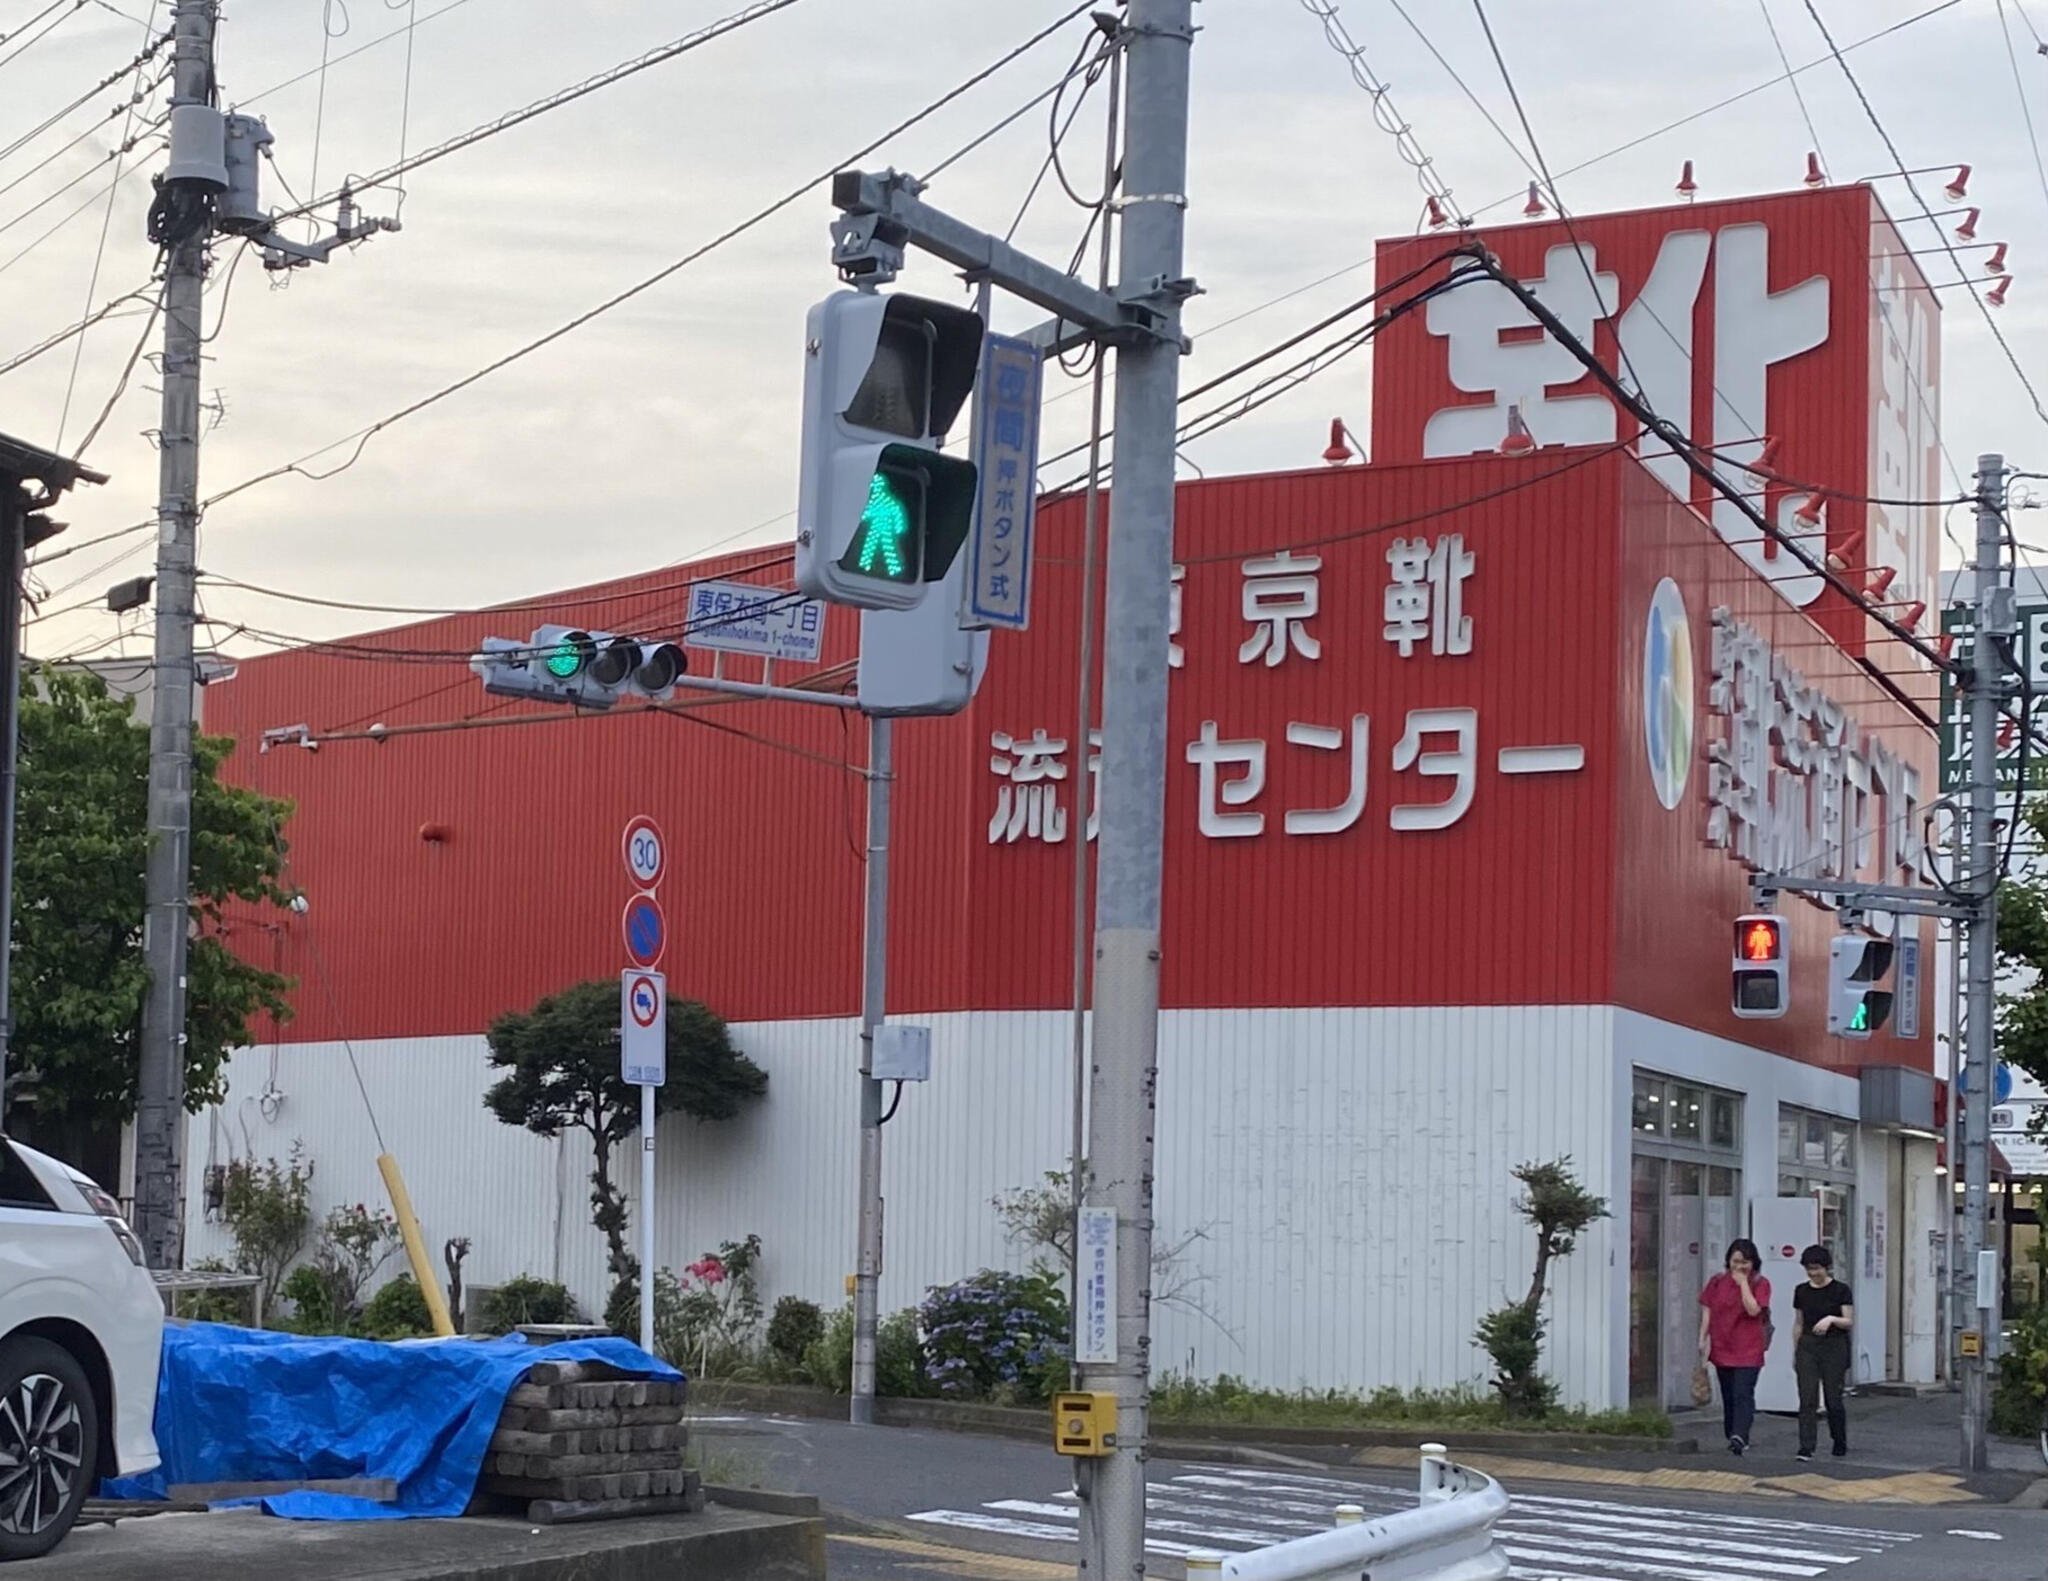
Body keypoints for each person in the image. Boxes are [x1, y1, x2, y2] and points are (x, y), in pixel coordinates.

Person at [1697, 1238, 1771, 1454]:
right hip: (1722, 1345)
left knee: (1743, 1392)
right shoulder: (1717, 1281)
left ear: (1754, 1263)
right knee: (1728, 1394)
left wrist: (1743, 1284)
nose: (1739, 1267)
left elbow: (1753, 1310)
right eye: (1735, 1261)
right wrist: (1702, 1338)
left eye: (1745, 1262)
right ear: (1728, 1261)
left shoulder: (1760, 1283)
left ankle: (1740, 1435)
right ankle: (1732, 1433)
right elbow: (1707, 1310)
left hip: (1749, 1347)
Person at [1792, 1243, 1854, 1462]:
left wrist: (1831, 1319)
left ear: (1826, 1267)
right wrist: (1796, 1349)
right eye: (1809, 1268)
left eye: (1817, 1268)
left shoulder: (1841, 1290)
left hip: (1834, 1346)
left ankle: (1839, 1440)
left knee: (1832, 1398)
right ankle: (1806, 1447)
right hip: (1808, 1345)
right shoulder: (1801, 1291)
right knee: (1806, 1397)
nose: (1813, 1273)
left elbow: (1848, 1321)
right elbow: (1798, 1322)